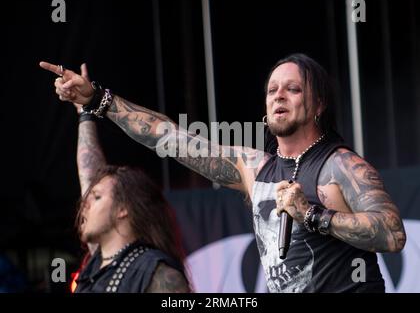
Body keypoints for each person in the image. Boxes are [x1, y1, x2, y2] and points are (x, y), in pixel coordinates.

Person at [40, 53, 406, 293]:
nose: (279, 96)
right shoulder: (253, 168)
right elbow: (167, 136)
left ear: (318, 105)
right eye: (272, 90)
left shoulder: (340, 164)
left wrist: (312, 215)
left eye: (293, 89)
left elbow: (392, 233)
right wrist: (97, 101)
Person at [63, 77, 191, 292]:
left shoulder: (158, 274)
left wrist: (96, 100)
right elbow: (89, 176)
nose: (84, 204)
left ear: (123, 209)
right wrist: (85, 113)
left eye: (96, 197)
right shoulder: (98, 265)